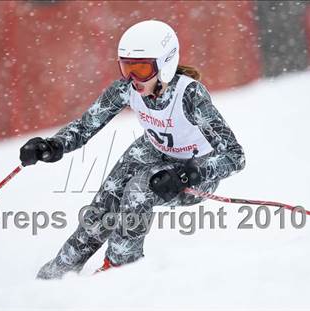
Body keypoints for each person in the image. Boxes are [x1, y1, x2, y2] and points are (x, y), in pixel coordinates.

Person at [19, 20, 245, 279]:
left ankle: (121, 269)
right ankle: (61, 269)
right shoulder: (126, 89)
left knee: (138, 189)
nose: (132, 79)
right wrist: (52, 146)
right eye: (127, 68)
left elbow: (234, 156)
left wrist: (187, 175)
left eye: (141, 69)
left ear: (165, 65)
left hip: (194, 168)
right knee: (108, 200)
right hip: (152, 150)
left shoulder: (190, 95)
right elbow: (85, 126)